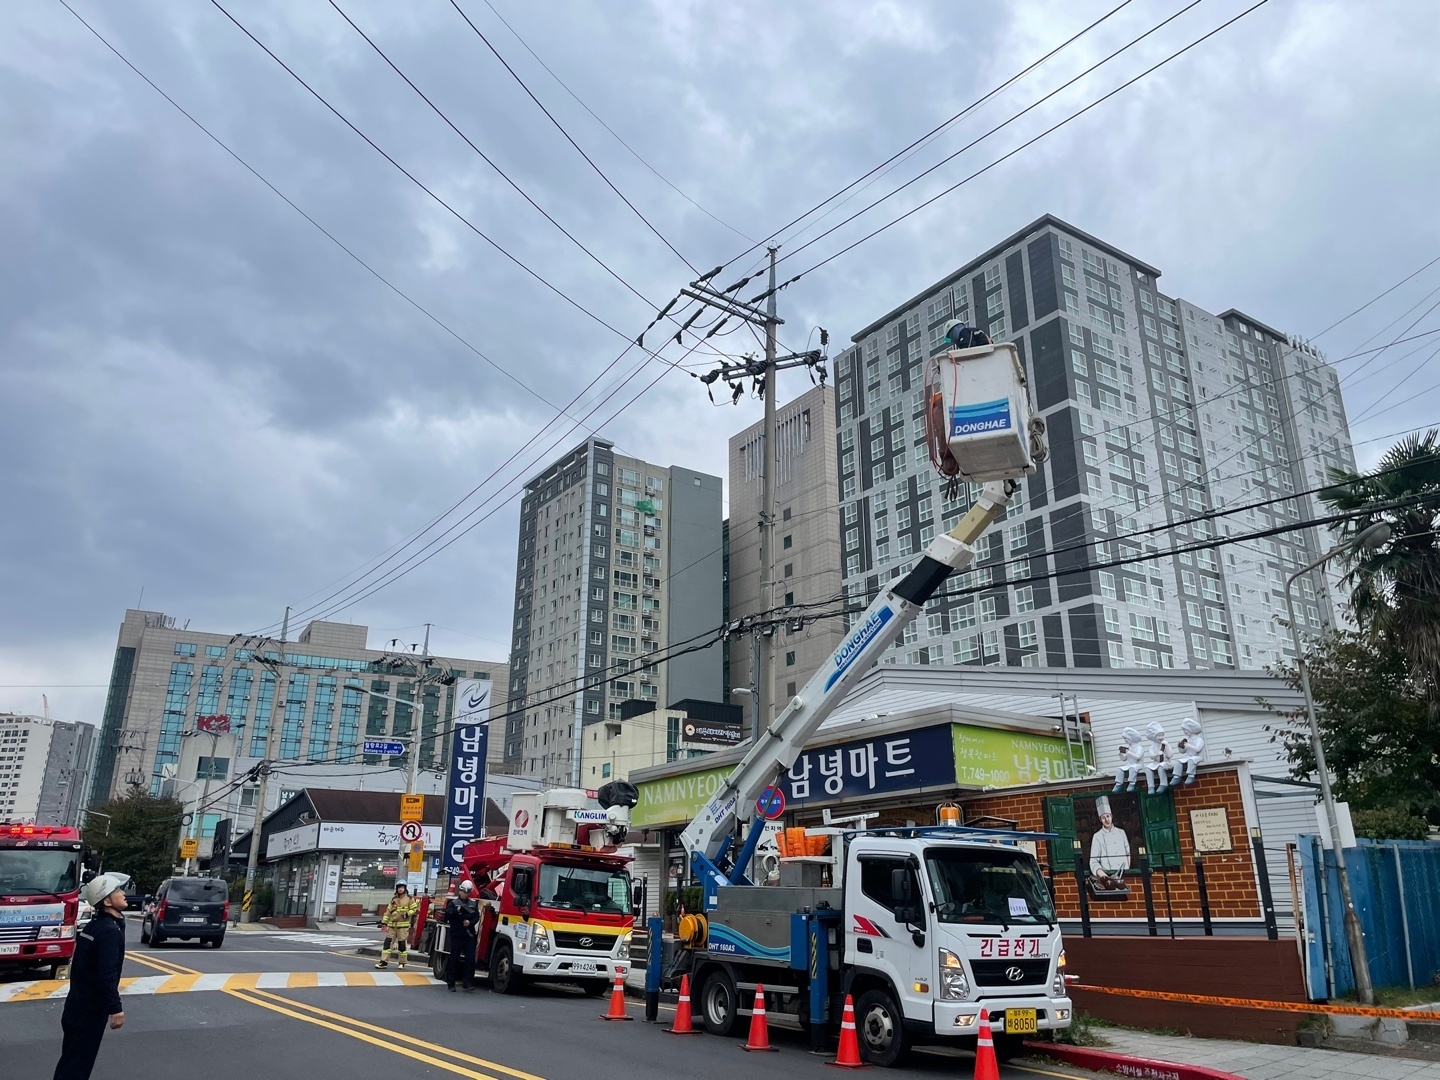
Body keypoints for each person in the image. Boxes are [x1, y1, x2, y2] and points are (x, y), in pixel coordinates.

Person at [53, 872, 129, 1080]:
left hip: (77, 1006)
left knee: (71, 1062)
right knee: (76, 1069)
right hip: (88, 1011)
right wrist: (116, 1009)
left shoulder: (94, 927)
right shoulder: (108, 931)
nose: (123, 893)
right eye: (118, 891)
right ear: (107, 900)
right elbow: (106, 974)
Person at [1088, 796, 1131, 892]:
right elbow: (1093, 861)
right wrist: (1103, 875)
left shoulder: (1121, 832)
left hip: (1123, 877)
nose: (1106, 820)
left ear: (1111, 816)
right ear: (1100, 820)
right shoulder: (1097, 836)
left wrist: (1127, 870)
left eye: (1108, 816)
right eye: (1103, 818)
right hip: (1108, 878)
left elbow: (1128, 853)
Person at [445, 880, 480, 992]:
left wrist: (470, 923)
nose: (465, 894)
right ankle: (451, 983)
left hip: (469, 935)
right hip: (457, 934)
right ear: (460, 891)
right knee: (454, 959)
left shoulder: (473, 904)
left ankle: (468, 982)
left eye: (467, 892)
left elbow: (476, 917)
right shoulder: (453, 903)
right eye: (463, 892)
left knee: (470, 959)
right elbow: (448, 916)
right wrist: (457, 911)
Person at [375, 882, 419, 969]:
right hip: (392, 926)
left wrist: (407, 914)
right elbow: (388, 912)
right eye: (399, 887)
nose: (400, 889)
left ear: (405, 888)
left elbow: (415, 909)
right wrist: (384, 922)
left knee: (402, 944)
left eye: (402, 887)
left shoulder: (410, 899)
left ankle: (402, 962)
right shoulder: (394, 899)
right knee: (387, 943)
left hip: (403, 926)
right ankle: (383, 962)